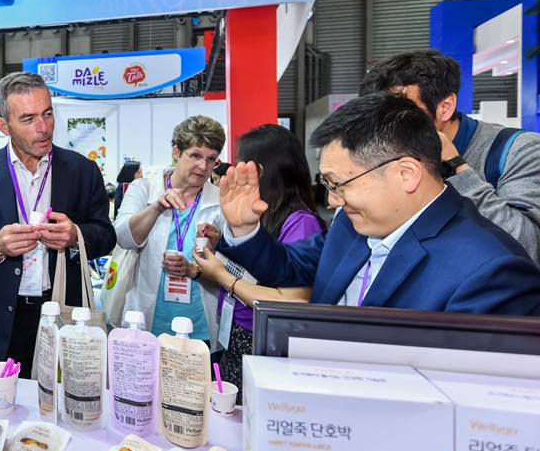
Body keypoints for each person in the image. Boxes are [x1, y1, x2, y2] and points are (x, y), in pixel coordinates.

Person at [217, 93, 540, 316]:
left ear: (406, 174)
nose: (332, 200)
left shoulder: (491, 272)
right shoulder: (351, 225)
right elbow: (289, 266)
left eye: (339, 184)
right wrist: (245, 229)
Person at [0, 72, 116, 373]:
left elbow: (106, 236)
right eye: (28, 119)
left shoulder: (82, 170)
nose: (43, 127)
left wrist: (75, 236)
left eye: (47, 113)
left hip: (63, 314)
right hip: (1, 322)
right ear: (3, 125)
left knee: (63, 398)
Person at [360, 49, 540, 263]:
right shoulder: (382, 154)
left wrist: (455, 168)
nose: (384, 125)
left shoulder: (519, 149)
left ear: (445, 107)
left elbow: (526, 246)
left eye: (399, 111)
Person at [193, 125, 325, 402]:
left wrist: (222, 276)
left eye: (241, 162)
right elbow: (258, 269)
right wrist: (222, 245)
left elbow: (293, 300)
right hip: (238, 330)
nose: (234, 171)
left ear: (260, 170)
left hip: (263, 339)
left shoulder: (300, 221)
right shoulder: (261, 212)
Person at [114, 116, 225, 346]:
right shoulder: (144, 190)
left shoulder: (221, 201)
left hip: (201, 329)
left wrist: (205, 260)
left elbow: (233, 270)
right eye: (195, 155)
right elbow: (123, 238)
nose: (203, 166)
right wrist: (156, 208)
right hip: (147, 325)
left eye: (211, 159)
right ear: (176, 152)